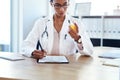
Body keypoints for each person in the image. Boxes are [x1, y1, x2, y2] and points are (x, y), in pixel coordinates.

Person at [21, 0, 93, 59]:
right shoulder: (41, 23)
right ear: (51, 3)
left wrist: (78, 39)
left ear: (69, 3)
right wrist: (33, 52)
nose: (61, 9)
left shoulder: (76, 23)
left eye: (65, 4)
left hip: (69, 65)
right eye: (57, 5)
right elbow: (26, 46)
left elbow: (89, 51)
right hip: (46, 64)